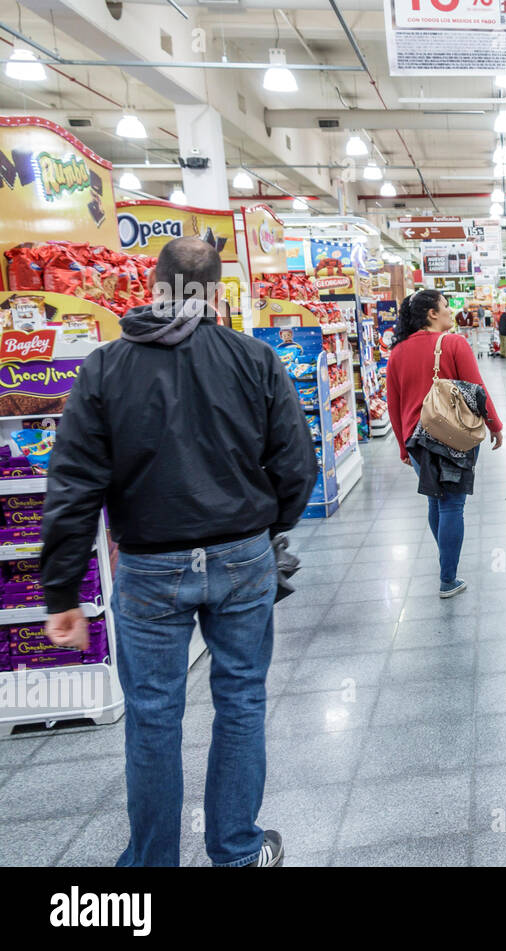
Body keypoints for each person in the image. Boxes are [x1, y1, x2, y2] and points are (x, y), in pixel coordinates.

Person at [40, 237, 318, 867]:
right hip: (242, 557)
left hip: (148, 565)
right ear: (218, 293)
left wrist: (62, 591)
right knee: (242, 701)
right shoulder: (255, 359)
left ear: (153, 286)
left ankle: (151, 865)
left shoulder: (105, 367)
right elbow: (296, 463)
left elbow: (75, 482)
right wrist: (268, 527)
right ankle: (236, 851)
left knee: (154, 718)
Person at [387, 289, 503, 598]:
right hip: (455, 436)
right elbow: (477, 391)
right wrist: (496, 426)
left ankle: (446, 560)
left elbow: (393, 405)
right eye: (445, 306)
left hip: (416, 440)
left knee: (435, 501)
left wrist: (403, 446)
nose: (451, 310)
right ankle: (447, 578)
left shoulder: (397, 352)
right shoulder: (453, 343)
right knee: (453, 504)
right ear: (431, 314)